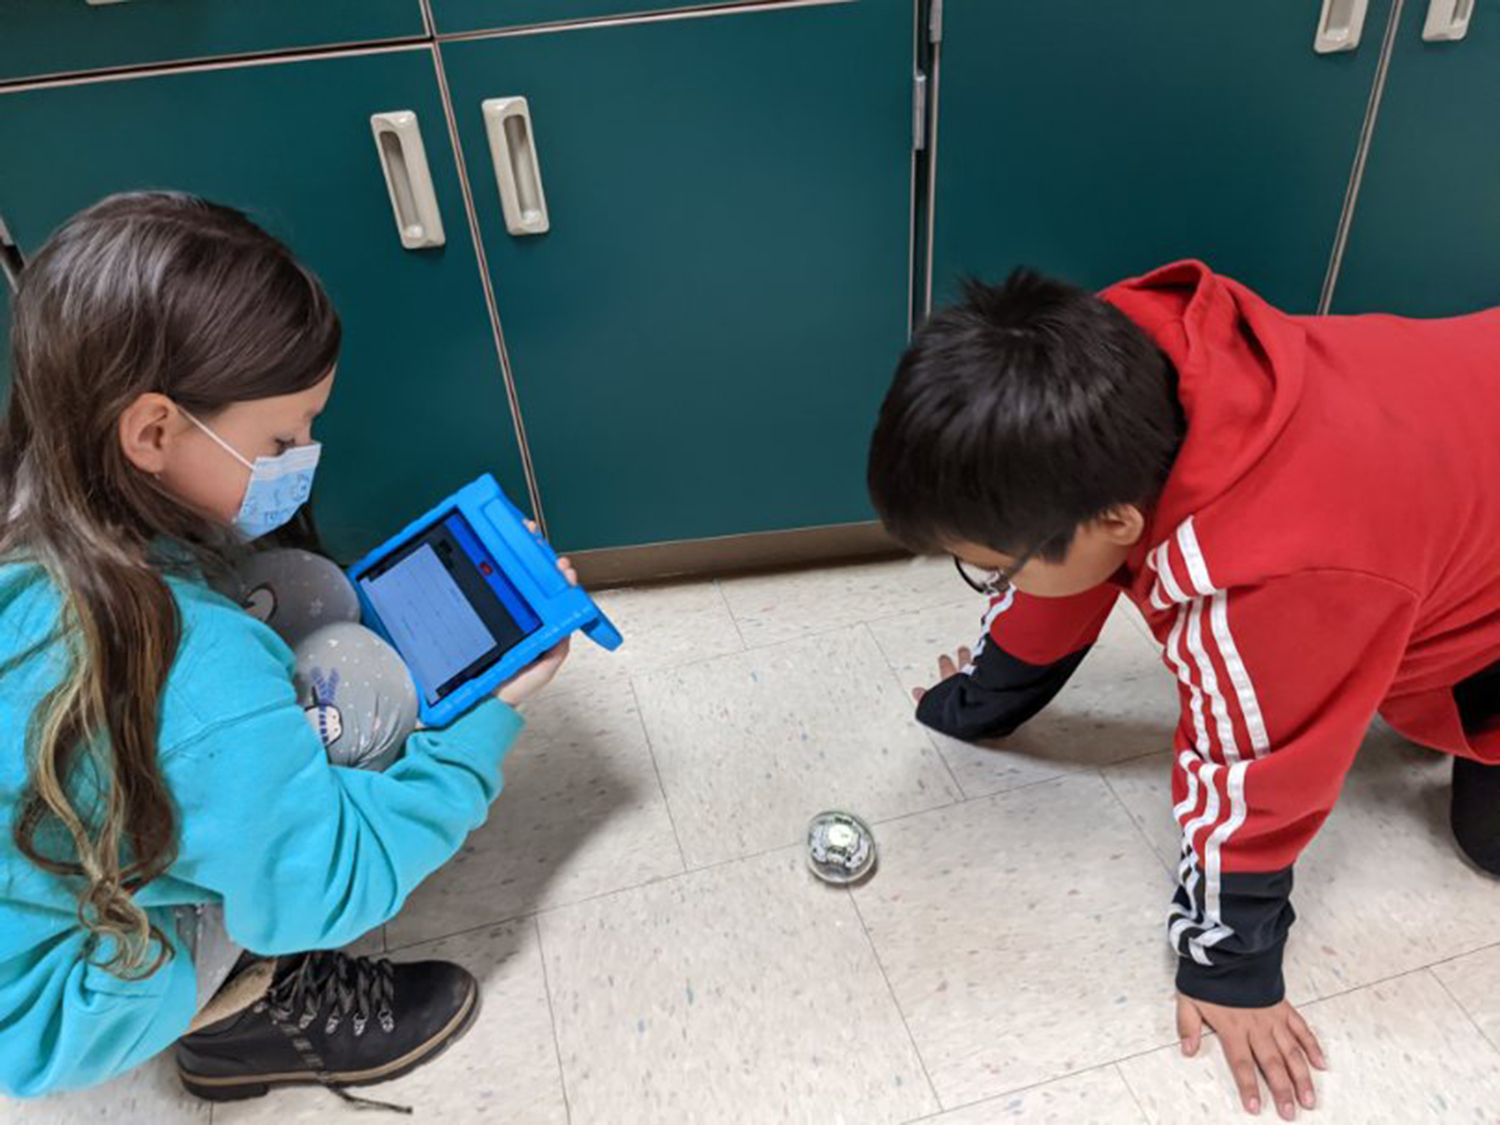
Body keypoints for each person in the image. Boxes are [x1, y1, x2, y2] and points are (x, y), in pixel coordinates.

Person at [867, 261, 1500, 1122]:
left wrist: (1229, 966)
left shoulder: (1265, 582)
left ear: (1115, 522)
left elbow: (1253, 776)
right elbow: (1063, 581)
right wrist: (980, 697)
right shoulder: (1115, 371)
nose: (990, 581)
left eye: (989, 569)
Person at [0, 192, 571, 1108]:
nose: (306, 451)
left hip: (30, 905)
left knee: (303, 591)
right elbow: (334, 881)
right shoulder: (189, 671)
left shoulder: (46, 509)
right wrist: (483, 726)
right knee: (365, 695)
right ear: (152, 430)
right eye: (283, 435)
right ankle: (240, 1022)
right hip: (64, 994)